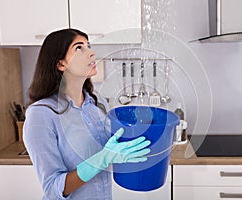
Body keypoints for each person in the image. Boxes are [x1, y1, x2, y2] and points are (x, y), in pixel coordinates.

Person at [23, 28, 151, 200]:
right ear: (61, 64)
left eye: (88, 46)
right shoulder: (41, 115)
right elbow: (53, 189)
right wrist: (101, 160)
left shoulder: (96, 102)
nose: (91, 52)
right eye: (79, 48)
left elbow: (110, 149)